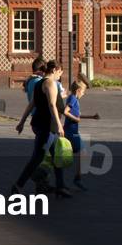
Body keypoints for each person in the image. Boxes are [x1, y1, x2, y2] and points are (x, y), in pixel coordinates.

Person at [12, 62, 71, 198]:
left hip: (39, 123)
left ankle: (60, 186)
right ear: (56, 70)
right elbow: (52, 105)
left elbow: (31, 104)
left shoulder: (39, 83)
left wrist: (22, 122)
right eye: (60, 72)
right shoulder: (50, 84)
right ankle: (18, 185)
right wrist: (59, 124)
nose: (60, 76)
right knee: (37, 157)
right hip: (46, 126)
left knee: (56, 155)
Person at [63, 81, 100, 191]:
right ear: (78, 90)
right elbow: (66, 112)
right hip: (70, 131)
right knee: (80, 152)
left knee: (79, 152)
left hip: (72, 131)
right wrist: (76, 120)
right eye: (83, 92)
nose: (84, 94)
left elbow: (76, 114)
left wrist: (91, 117)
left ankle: (76, 177)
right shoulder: (73, 99)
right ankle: (77, 178)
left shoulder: (74, 99)